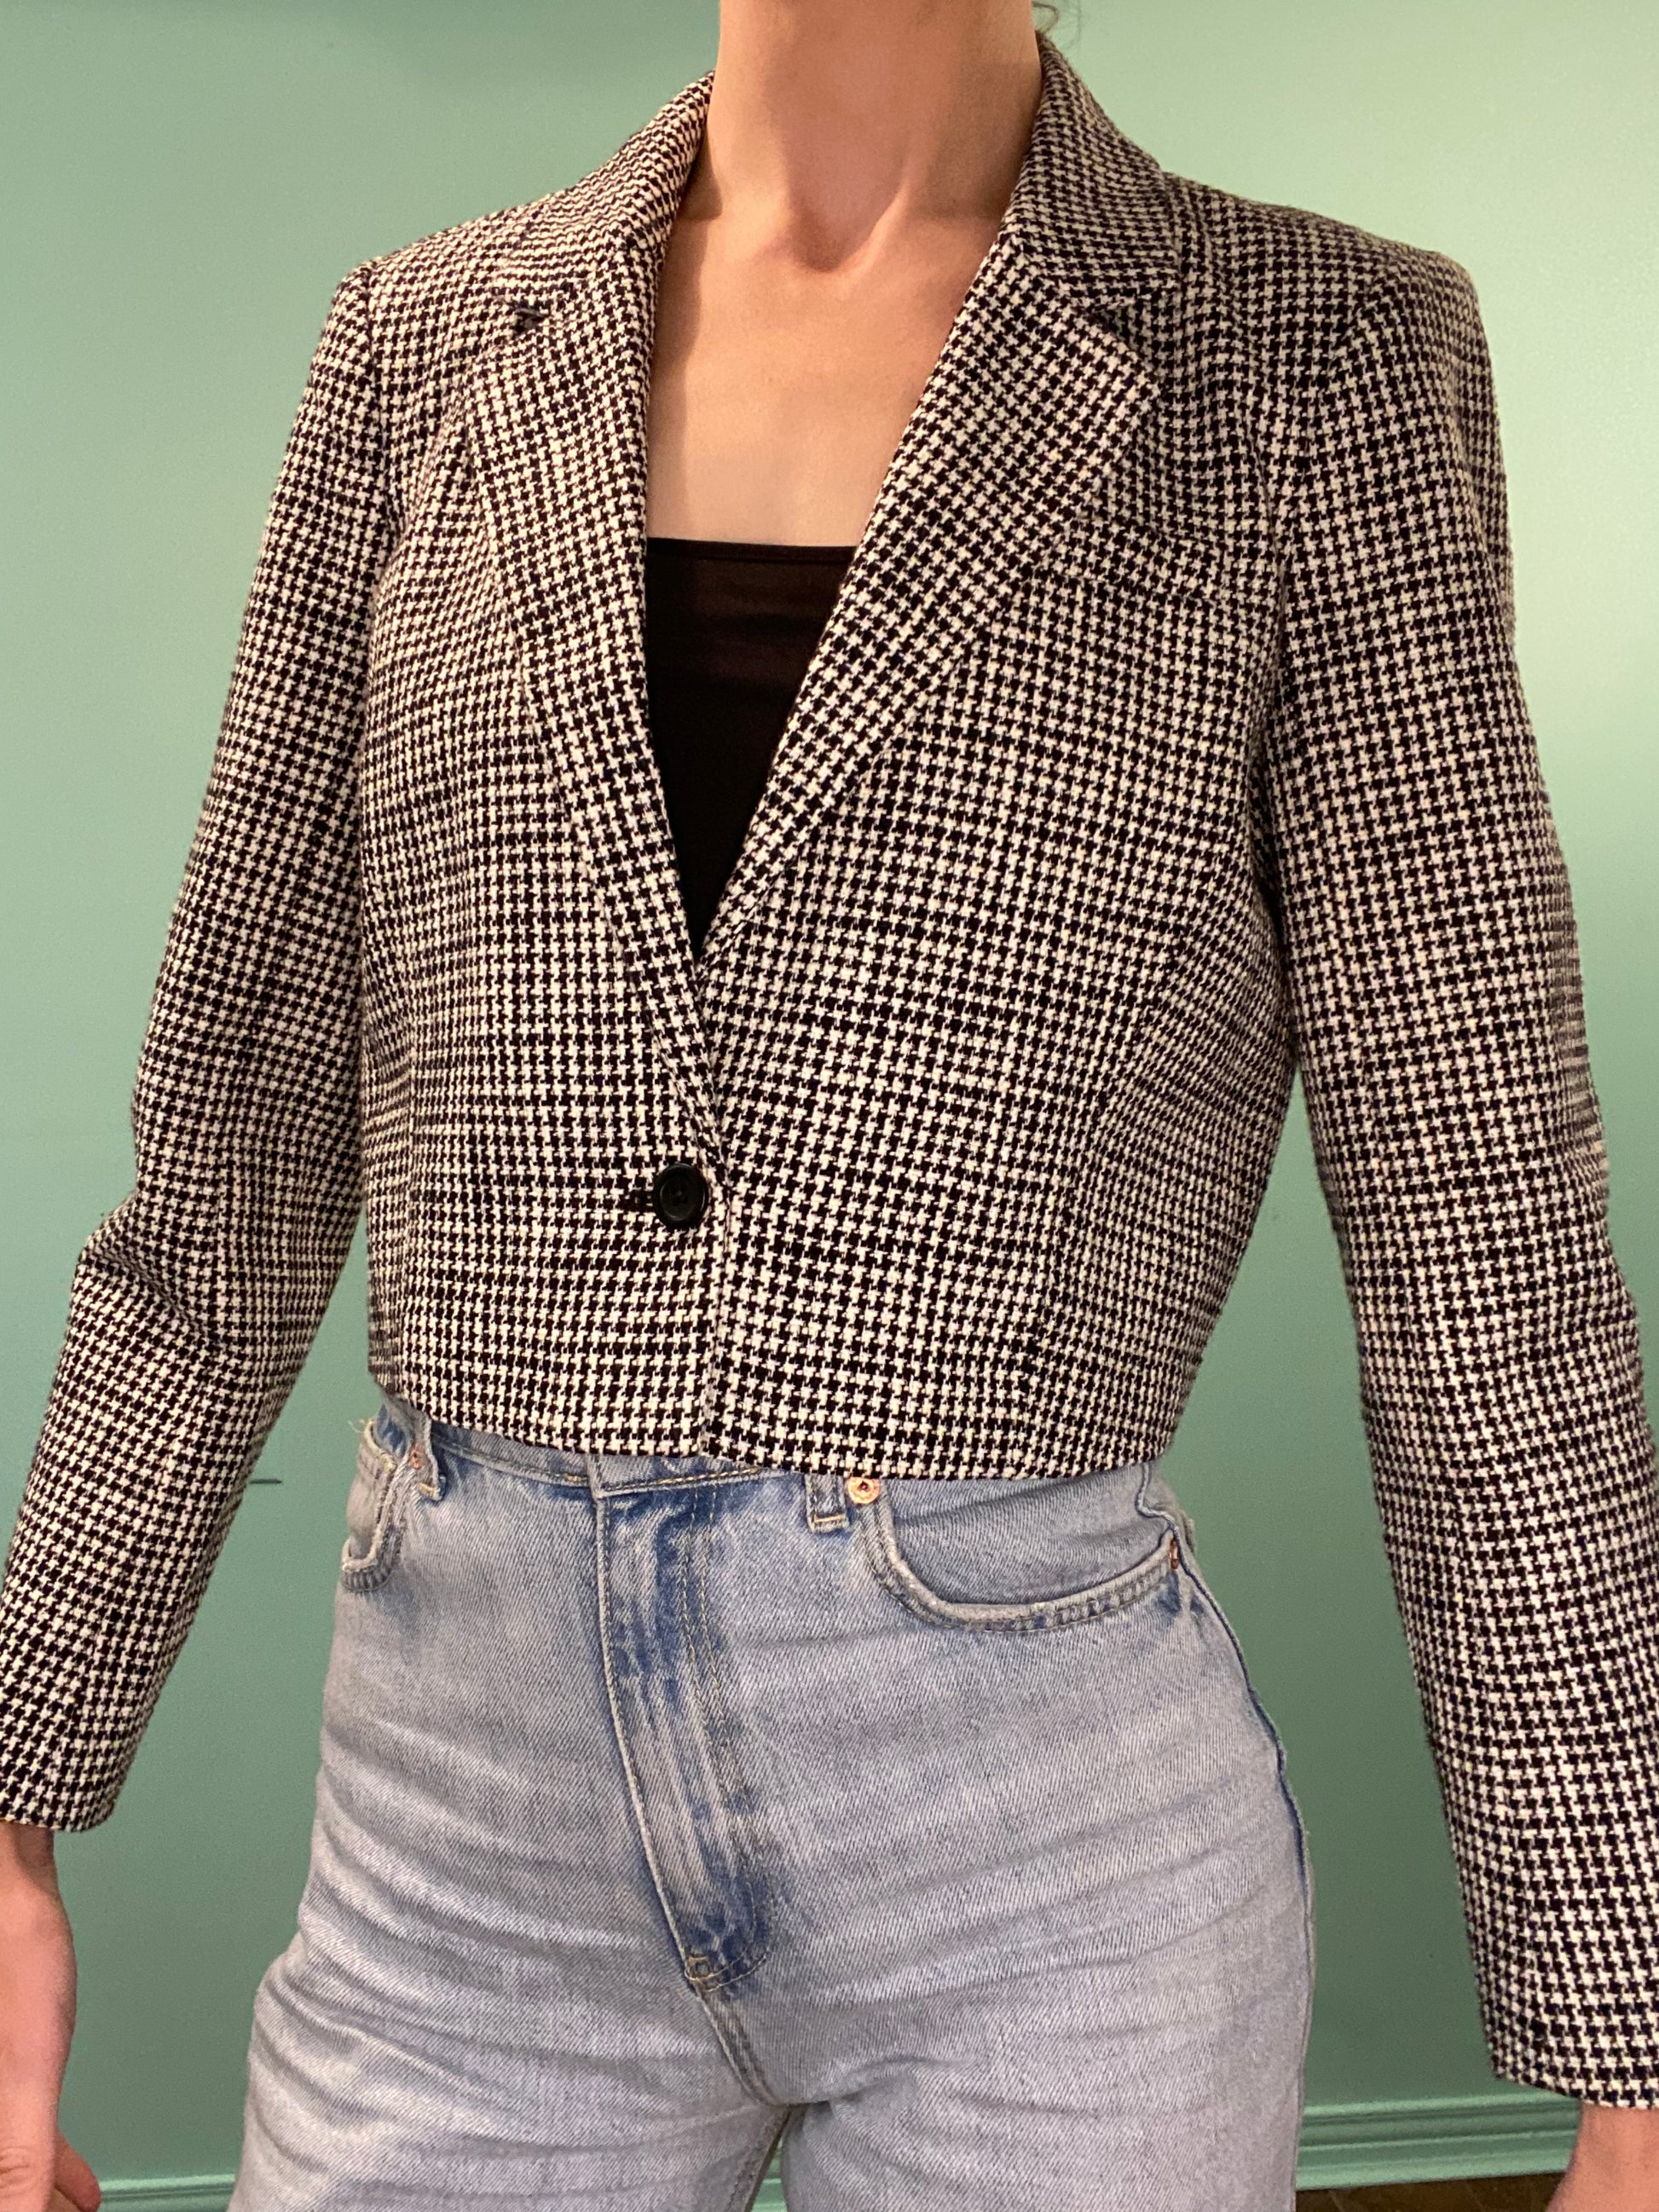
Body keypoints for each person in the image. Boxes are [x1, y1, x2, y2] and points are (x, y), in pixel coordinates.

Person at [3, 1, 1657, 2207]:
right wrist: (11, 1798)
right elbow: (224, 1173)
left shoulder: (1317, 359)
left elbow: (1480, 1226)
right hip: (458, 1848)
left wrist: (1632, 2043)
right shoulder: (421, 349)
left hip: (1043, 1861)